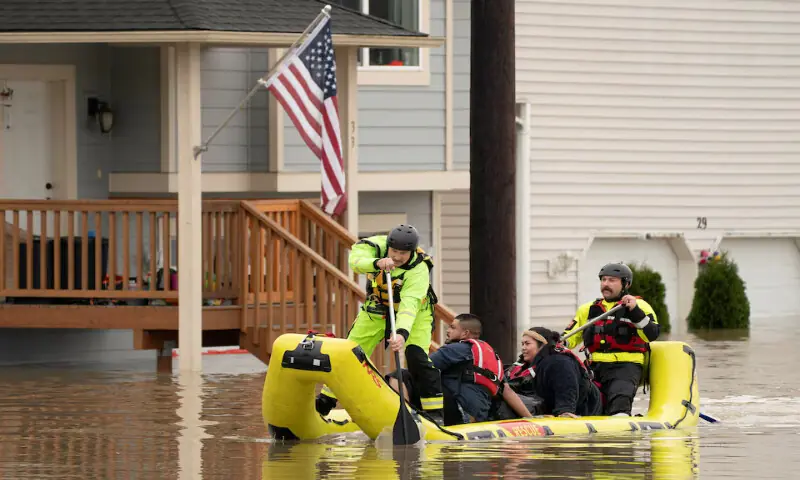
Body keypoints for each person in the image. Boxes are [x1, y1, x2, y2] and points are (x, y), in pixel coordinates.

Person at [315, 224, 445, 424]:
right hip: (376, 308)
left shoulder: (419, 269)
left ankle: (435, 415)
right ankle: (326, 400)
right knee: (348, 353)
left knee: (416, 357)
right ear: (389, 246)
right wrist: (376, 263)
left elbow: (409, 305)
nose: (398, 257)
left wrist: (401, 333)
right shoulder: (375, 246)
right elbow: (355, 262)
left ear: (412, 252)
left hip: (416, 314)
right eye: (394, 251)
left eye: (403, 253)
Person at [562, 262, 660, 416]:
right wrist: (557, 343)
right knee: (586, 405)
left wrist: (635, 312)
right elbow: (570, 338)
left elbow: (651, 334)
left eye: (612, 280)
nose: (606, 284)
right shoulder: (587, 309)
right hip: (594, 368)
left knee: (618, 406)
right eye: (603, 280)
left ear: (626, 284)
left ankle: (620, 421)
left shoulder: (640, 306)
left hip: (626, 367)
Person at [423, 314, 532, 425]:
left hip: (458, 413)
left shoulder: (453, 349)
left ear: (465, 333)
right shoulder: (490, 355)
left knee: (407, 375)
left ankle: (409, 417)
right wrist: (530, 419)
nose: (448, 330)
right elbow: (507, 391)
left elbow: (421, 367)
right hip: (478, 417)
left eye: (453, 327)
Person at [502, 327, 603, 418]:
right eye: (522, 344)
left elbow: (567, 387)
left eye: (527, 344)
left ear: (541, 345)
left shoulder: (559, 362)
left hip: (586, 409)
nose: (523, 348)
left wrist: (565, 411)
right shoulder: (524, 365)